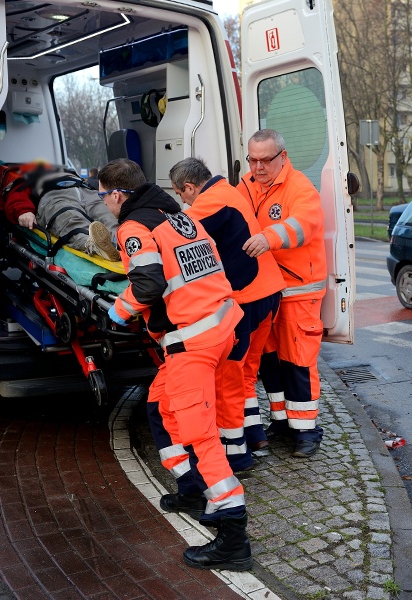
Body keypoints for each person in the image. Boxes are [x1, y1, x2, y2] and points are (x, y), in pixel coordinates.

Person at [99, 158, 251, 571]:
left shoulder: (133, 228)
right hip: (222, 326)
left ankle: (234, 538)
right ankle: (190, 488)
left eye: (102, 197)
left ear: (116, 195)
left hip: (193, 343)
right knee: (159, 407)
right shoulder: (177, 214)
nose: (105, 205)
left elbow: (148, 284)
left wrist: (118, 310)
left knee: (201, 438)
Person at [169, 157, 285, 465]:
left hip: (247, 298)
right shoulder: (229, 190)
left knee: (229, 378)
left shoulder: (211, 200)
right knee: (247, 373)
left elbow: (175, 234)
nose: (182, 201)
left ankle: (236, 453)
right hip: (268, 291)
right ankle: (255, 435)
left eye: (181, 194)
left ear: (190, 187)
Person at [238, 129, 327, 458]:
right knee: (269, 359)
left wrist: (269, 237)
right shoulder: (246, 186)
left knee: (298, 359)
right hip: (265, 289)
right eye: (253, 159)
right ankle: (280, 420)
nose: (258, 167)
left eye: (265, 160)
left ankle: (306, 430)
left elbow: (305, 224)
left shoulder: (299, 187)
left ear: (283, 157)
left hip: (298, 289)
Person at [0, 163, 120, 261]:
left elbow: (16, 194)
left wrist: (22, 210)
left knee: (105, 216)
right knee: (72, 218)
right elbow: (17, 194)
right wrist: (23, 211)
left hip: (79, 188)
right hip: (61, 193)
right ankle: (95, 245)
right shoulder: (20, 176)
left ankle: (120, 242)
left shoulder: (31, 173)